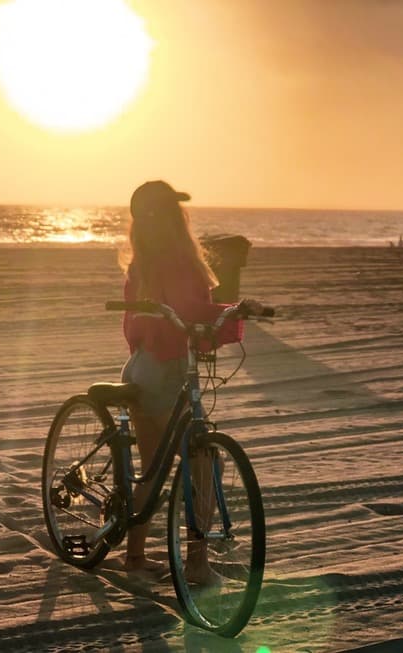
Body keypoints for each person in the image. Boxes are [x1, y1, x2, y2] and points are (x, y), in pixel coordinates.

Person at [117, 180, 263, 583]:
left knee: (153, 467)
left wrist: (225, 312)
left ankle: (135, 558)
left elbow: (143, 323)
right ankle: (197, 565)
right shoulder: (173, 260)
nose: (181, 216)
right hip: (161, 371)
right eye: (173, 210)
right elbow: (188, 309)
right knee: (202, 464)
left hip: (150, 366)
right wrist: (234, 310)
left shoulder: (143, 261)